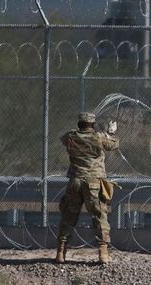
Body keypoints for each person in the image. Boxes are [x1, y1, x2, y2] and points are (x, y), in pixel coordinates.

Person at [54, 112, 120, 265]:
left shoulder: (71, 136)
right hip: (94, 183)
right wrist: (111, 131)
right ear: (93, 124)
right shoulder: (99, 137)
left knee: (68, 216)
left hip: (75, 181)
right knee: (99, 216)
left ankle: (61, 252)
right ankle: (103, 253)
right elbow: (113, 144)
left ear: (79, 124)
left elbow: (63, 139)